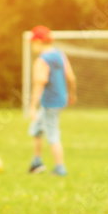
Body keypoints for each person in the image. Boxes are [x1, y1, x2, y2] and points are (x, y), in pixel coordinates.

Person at [27, 25, 77, 176]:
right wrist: (71, 94)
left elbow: (39, 84)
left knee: (52, 133)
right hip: (60, 100)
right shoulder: (60, 55)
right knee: (36, 129)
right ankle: (37, 162)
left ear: (38, 42)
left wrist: (32, 107)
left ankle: (60, 168)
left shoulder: (42, 61)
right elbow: (71, 78)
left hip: (49, 103)